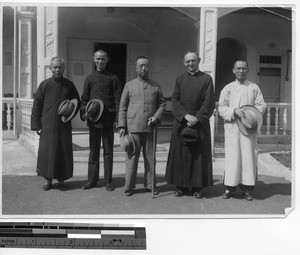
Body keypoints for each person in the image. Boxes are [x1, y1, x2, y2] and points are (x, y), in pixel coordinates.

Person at [165, 51, 215, 199]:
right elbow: (175, 100)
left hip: (200, 123)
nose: (191, 64)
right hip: (182, 122)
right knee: (180, 155)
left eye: (193, 61)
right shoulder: (179, 80)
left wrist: (197, 118)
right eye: (188, 61)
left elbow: (209, 102)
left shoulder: (206, 79)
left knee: (198, 156)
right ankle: (181, 186)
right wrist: (185, 116)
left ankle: (197, 187)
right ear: (184, 62)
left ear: (198, 61)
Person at [218, 59, 267, 201]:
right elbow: (221, 107)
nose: (241, 71)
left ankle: (246, 189)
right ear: (233, 70)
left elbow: (261, 105)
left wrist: (251, 114)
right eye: (238, 68)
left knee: (247, 157)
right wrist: (234, 111)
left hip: (248, 129)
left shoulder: (253, 88)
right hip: (233, 127)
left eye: (244, 68)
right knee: (233, 157)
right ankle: (229, 188)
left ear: (247, 70)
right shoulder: (228, 88)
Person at [118, 56, 166, 196]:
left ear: (149, 67)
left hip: (150, 128)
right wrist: (122, 126)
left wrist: (156, 117)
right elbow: (123, 106)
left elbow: (162, 104)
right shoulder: (129, 85)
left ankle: (150, 185)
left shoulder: (156, 86)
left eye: (146, 66)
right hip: (133, 127)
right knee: (132, 159)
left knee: (150, 159)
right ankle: (129, 187)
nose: (143, 68)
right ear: (136, 68)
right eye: (141, 66)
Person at [31, 57, 80, 191]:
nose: (57, 69)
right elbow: (37, 105)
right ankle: (48, 181)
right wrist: (36, 125)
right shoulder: (44, 85)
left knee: (63, 151)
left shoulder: (69, 85)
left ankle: (62, 179)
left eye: (60, 67)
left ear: (64, 68)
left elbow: (77, 101)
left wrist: (69, 112)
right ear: (50, 68)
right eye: (55, 67)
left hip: (64, 124)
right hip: (48, 125)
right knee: (48, 152)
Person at [80, 50, 122, 191]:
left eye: (103, 59)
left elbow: (118, 101)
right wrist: (84, 113)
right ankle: (92, 180)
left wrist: (117, 120)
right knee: (93, 151)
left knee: (108, 151)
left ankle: (108, 181)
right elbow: (84, 99)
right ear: (93, 59)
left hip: (109, 120)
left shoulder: (113, 78)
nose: (100, 62)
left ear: (107, 60)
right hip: (94, 120)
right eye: (98, 59)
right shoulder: (89, 78)